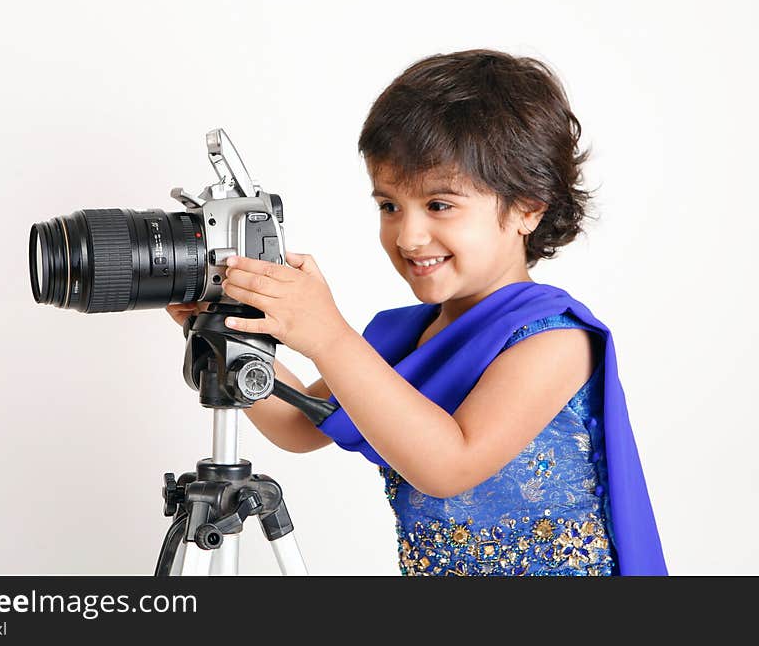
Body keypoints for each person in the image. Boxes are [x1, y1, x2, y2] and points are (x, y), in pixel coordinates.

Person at [167, 49, 666, 576]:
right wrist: (221, 329)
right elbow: (297, 423)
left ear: (528, 208)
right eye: (389, 206)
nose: (408, 235)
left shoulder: (555, 341)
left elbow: (448, 466)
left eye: (440, 205)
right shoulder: (406, 336)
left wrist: (328, 335)